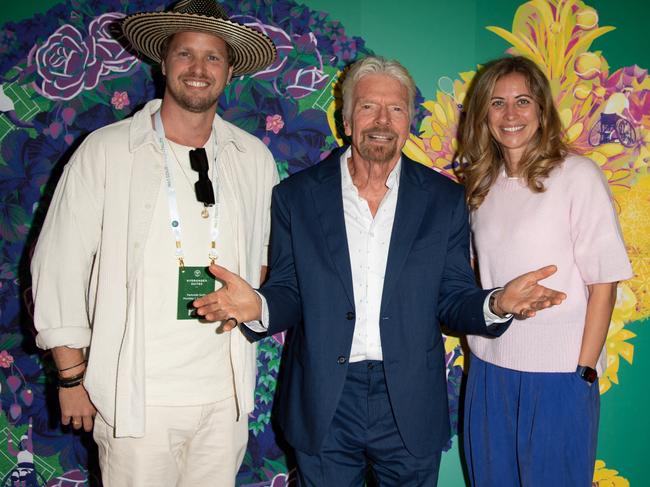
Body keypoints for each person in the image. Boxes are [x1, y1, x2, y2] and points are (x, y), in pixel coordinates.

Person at [193, 55, 566, 486]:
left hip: (409, 399)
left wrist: (496, 303)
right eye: (368, 106)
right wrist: (257, 304)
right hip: (324, 399)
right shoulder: (296, 197)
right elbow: (290, 290)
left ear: (409, 122)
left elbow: (452, 297)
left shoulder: (445, 200)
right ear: (347, 120)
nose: (382, 120)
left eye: (396, 109)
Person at [30, 1, 278, 485]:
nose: (199, 69)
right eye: (186, 54)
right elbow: (58, 265)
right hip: (134, 401)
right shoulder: (106, 151)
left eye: (213, 57)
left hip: (224, 396)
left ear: (229, 71)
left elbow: (267, 260)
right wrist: (70, 378)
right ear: (164, 63)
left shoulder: (253, 158)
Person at [456, 56, 633, 487]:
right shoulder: (479, 185)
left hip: (560, 376)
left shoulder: (578, 176)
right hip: (488, 371)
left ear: (541, 110)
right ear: (483, 113)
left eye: (523, 101)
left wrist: (584, 372)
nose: (511, 114)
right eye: (497, 103)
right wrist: (475, 348)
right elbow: (473, 278)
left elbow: (603, 283)